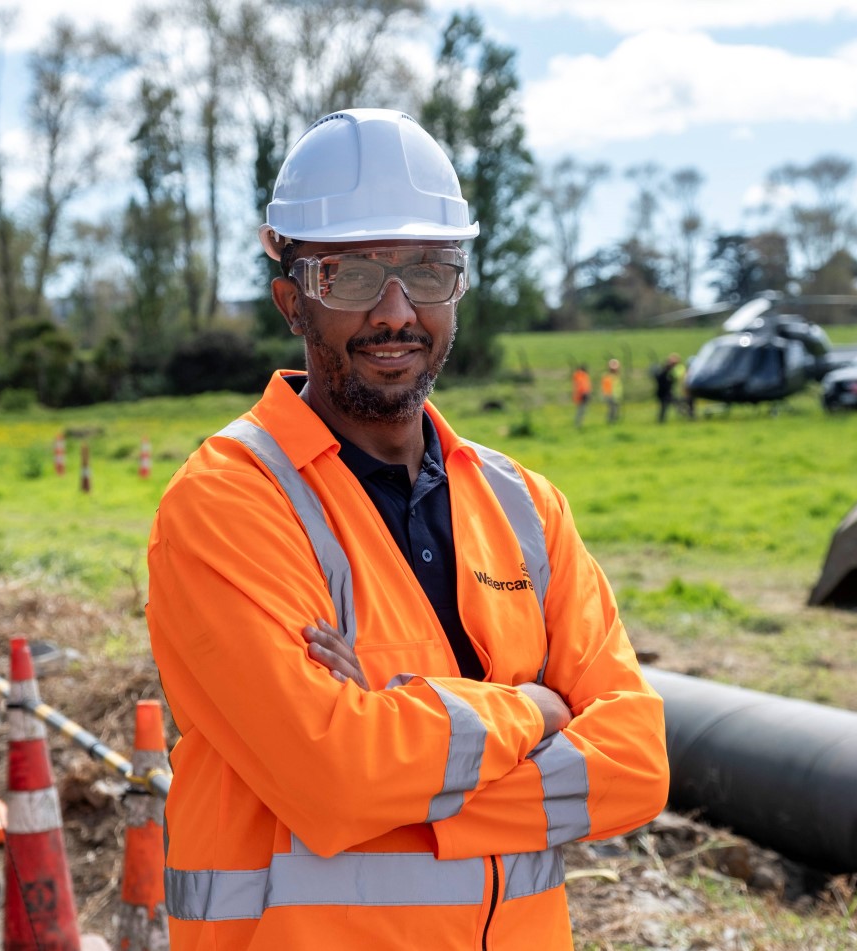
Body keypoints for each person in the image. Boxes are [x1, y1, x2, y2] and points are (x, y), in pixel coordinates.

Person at [146, 109, 669, 950]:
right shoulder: (227, 504)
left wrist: (394, 737)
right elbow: (335, 779)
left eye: (429, 270)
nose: (397, 312)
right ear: (292, 300)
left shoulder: (526, 505)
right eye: (351, 276)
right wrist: (538, 708)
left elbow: (637, 765)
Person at [654, 352, 684, 422]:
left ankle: (687, 416)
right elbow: (660, 377)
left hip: (671, 390)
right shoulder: (664, 368)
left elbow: (676, 377)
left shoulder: (678, 368)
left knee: (676, 405)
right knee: (664, 406)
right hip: (663, 391)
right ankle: (661, 420)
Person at [600, 358, 623, 423]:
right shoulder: (607, 377)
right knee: (612, 410)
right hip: (611, 396)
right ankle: (611, 422)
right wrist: (607, 396)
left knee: (615, 410)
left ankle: (613, 421)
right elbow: (605, 388)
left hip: (616, 396)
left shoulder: (616, 376)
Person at [571, 363, 591, 428]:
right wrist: (585, 393)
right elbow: (583, 386)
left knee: (580, 411)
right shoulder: (582, 376)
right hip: (582, 396)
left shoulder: (578, 375)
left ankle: (578, 424)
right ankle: (578, 425)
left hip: (579, 396)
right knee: (581, 411)